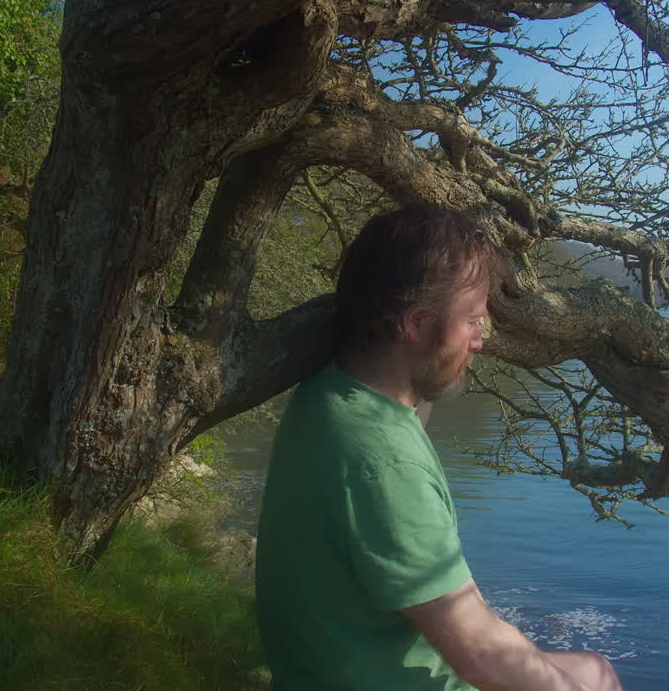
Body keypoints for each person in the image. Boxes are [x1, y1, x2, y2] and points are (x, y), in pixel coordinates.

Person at [255, 203, 624, 691]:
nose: (480, 341)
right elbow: (482, 656)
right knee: (587, 681)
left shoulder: (337, 392)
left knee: (596, 668)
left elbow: (417, 402)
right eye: (472, 321)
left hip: (330, 668)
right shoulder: (386, 466)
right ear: (415, 325)